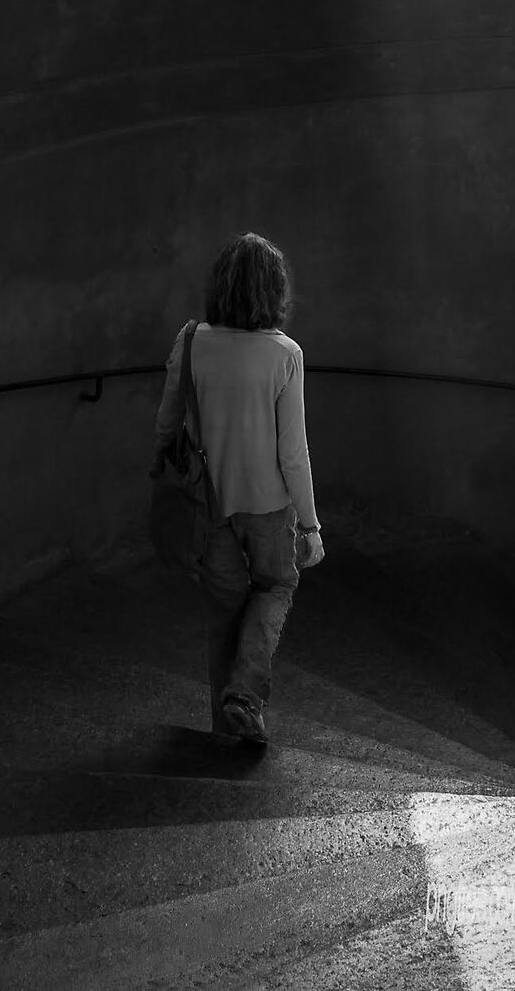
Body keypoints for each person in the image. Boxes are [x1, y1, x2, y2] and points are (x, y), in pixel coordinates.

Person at [151, 232, 323, 746]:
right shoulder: (285, 354)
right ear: (275, 290)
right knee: (277, 586)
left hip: (211, 504)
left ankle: (222, 731)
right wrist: (310, 525)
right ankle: (245, 697)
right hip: (269, 508)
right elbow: (293, 454)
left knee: (223, 612)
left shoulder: (192, 340)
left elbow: (167, 420)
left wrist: (162, 463)